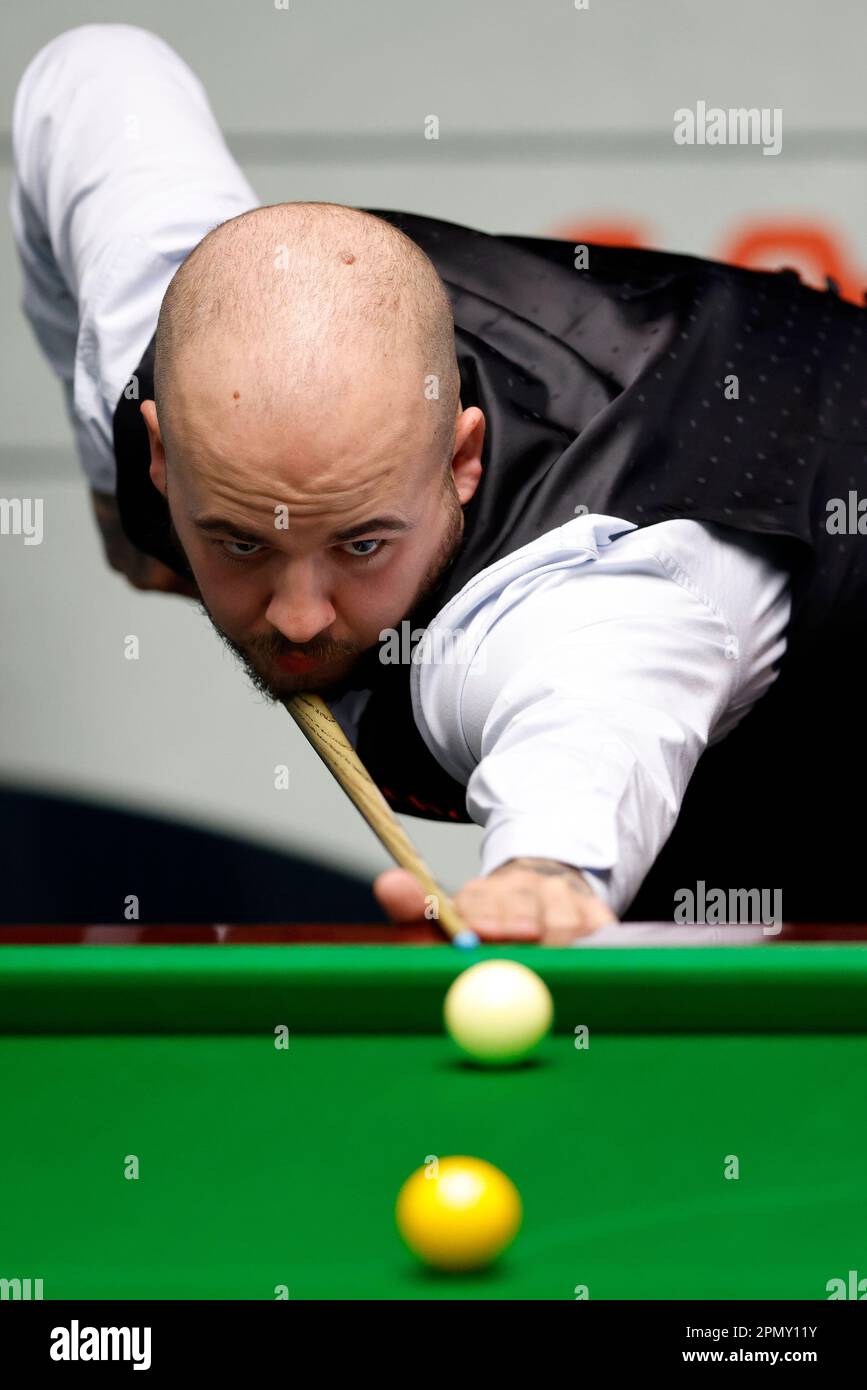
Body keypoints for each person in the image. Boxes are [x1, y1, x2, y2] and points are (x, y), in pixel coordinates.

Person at [11, 25, 867, 942]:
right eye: (241, 541)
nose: (298, 616)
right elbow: (93, 72)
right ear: (160, 454)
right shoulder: (162, 334)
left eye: (361, 544)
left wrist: (542, 876)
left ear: (462, 463)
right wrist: (115, 502)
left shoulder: (583, 605)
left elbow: (589, 738)